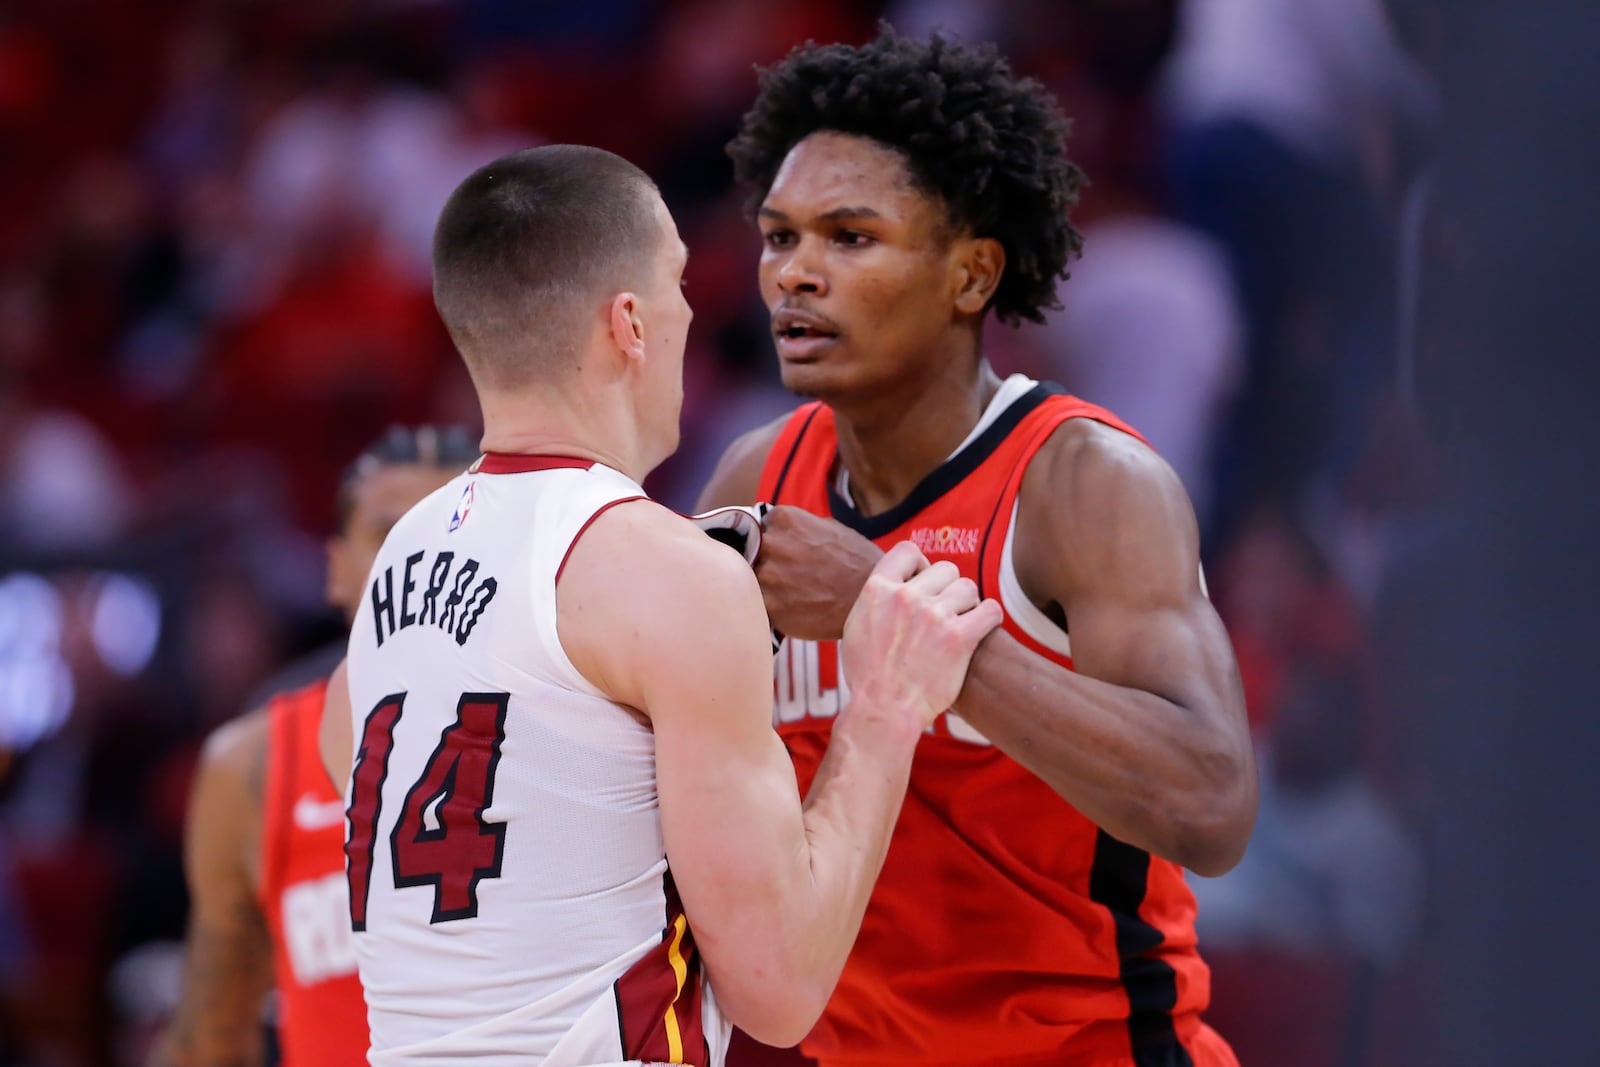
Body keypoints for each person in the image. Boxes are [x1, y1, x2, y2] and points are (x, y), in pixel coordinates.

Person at [319, 144, 1003, 1067]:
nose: (693, 310)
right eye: (677, 280)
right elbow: (780, 988)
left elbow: (360, 758)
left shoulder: (402, 555)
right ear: (631, 323)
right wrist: (883, 704)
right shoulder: (666, 572)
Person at [698, 28, 1258, 1067]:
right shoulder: (751, 480)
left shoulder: (1083, 480)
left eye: (849, 237)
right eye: (780, 237)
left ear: (970, 274)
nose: (795, 275)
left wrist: (902, 620)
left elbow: (1209, 800)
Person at [159, 425, 480, 1067]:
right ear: (336, 569)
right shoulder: (253, 766)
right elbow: (212, 1038)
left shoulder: (581, 729)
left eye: (455, 529)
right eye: (391, 534)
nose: (422, 560)